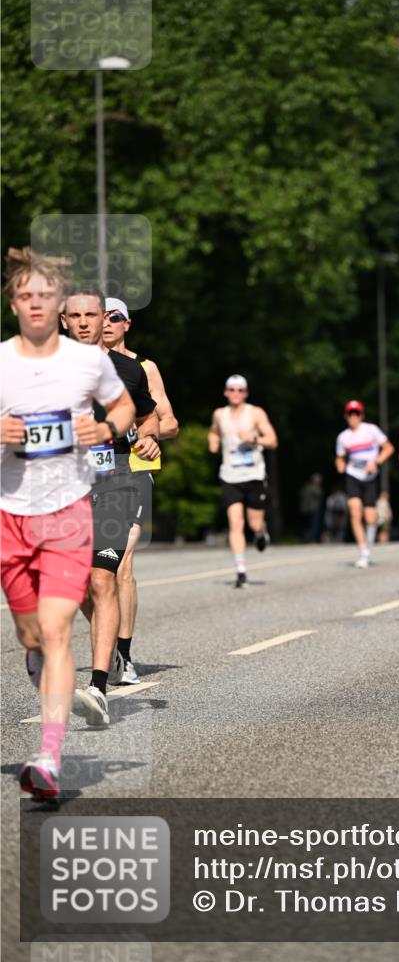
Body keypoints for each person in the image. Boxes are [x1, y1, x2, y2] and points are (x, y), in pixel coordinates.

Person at [1, 248, 134, 798]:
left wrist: (106, 431)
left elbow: (124, 407)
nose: (36, 304)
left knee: (57, 631)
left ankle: (48, 759)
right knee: (31, 634)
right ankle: (39, 665)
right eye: (25, 296)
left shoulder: (89, 362)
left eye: (44, 295)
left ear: (58, 304)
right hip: (11, 516)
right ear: (15, 304)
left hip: (69, 513)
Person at [62, 290, 159, 726]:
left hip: (116, 482)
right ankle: (109, 645)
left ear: (104, 320)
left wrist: (149, 434)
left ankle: (99, 686)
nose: (85, 323)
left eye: (93, 316)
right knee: (80, 589)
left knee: (105, 579)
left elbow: (150, 416)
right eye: (76, 316)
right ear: (63, 321)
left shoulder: (127, 370)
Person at [102, 297, 179, 684]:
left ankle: (124, 656)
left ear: (127, 324)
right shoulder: (83, 368)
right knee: (93, 572)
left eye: (114, 317)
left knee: (122, 564)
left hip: (135, 468)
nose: (106, 323)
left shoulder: (144, 368)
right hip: (95, 471)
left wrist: (143, 434)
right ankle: (108, 646)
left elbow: (169, 423)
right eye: (101, 316)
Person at [208, 375, 278, 588]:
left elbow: (273, 441)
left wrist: (254, 439)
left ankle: (260, 532)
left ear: (246, 393)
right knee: (235, 523)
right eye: (232, 389)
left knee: (253, 522)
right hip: (230, 475)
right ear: (225, 392)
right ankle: (240, 571)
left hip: (254, 474)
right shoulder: (220, 414)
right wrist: (213, 443)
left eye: (240, 390)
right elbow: (214, 432)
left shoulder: (255, 413)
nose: (235, 393)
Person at [335, 400, 394, 568]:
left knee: (370, 518)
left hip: (370, 476)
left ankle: (369, 540)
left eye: (357, 413)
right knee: (354, 511)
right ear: (346, 416)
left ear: (362, 415)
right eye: (350, 414)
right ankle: (363, 551)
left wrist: (376, 462)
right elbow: (339, 457)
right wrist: (340, 465)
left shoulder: (371, 430)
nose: (353, 417)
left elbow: (388, 448)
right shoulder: (343, 437)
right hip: (353, 475)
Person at [299, 473, 323, 542]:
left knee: (308, 525)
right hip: (314, 509)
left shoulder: (306, 487)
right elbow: (319, 495)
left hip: (304, 509)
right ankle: (312, 539)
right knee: (314, 525)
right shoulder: (315, 488)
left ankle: (306, 538)